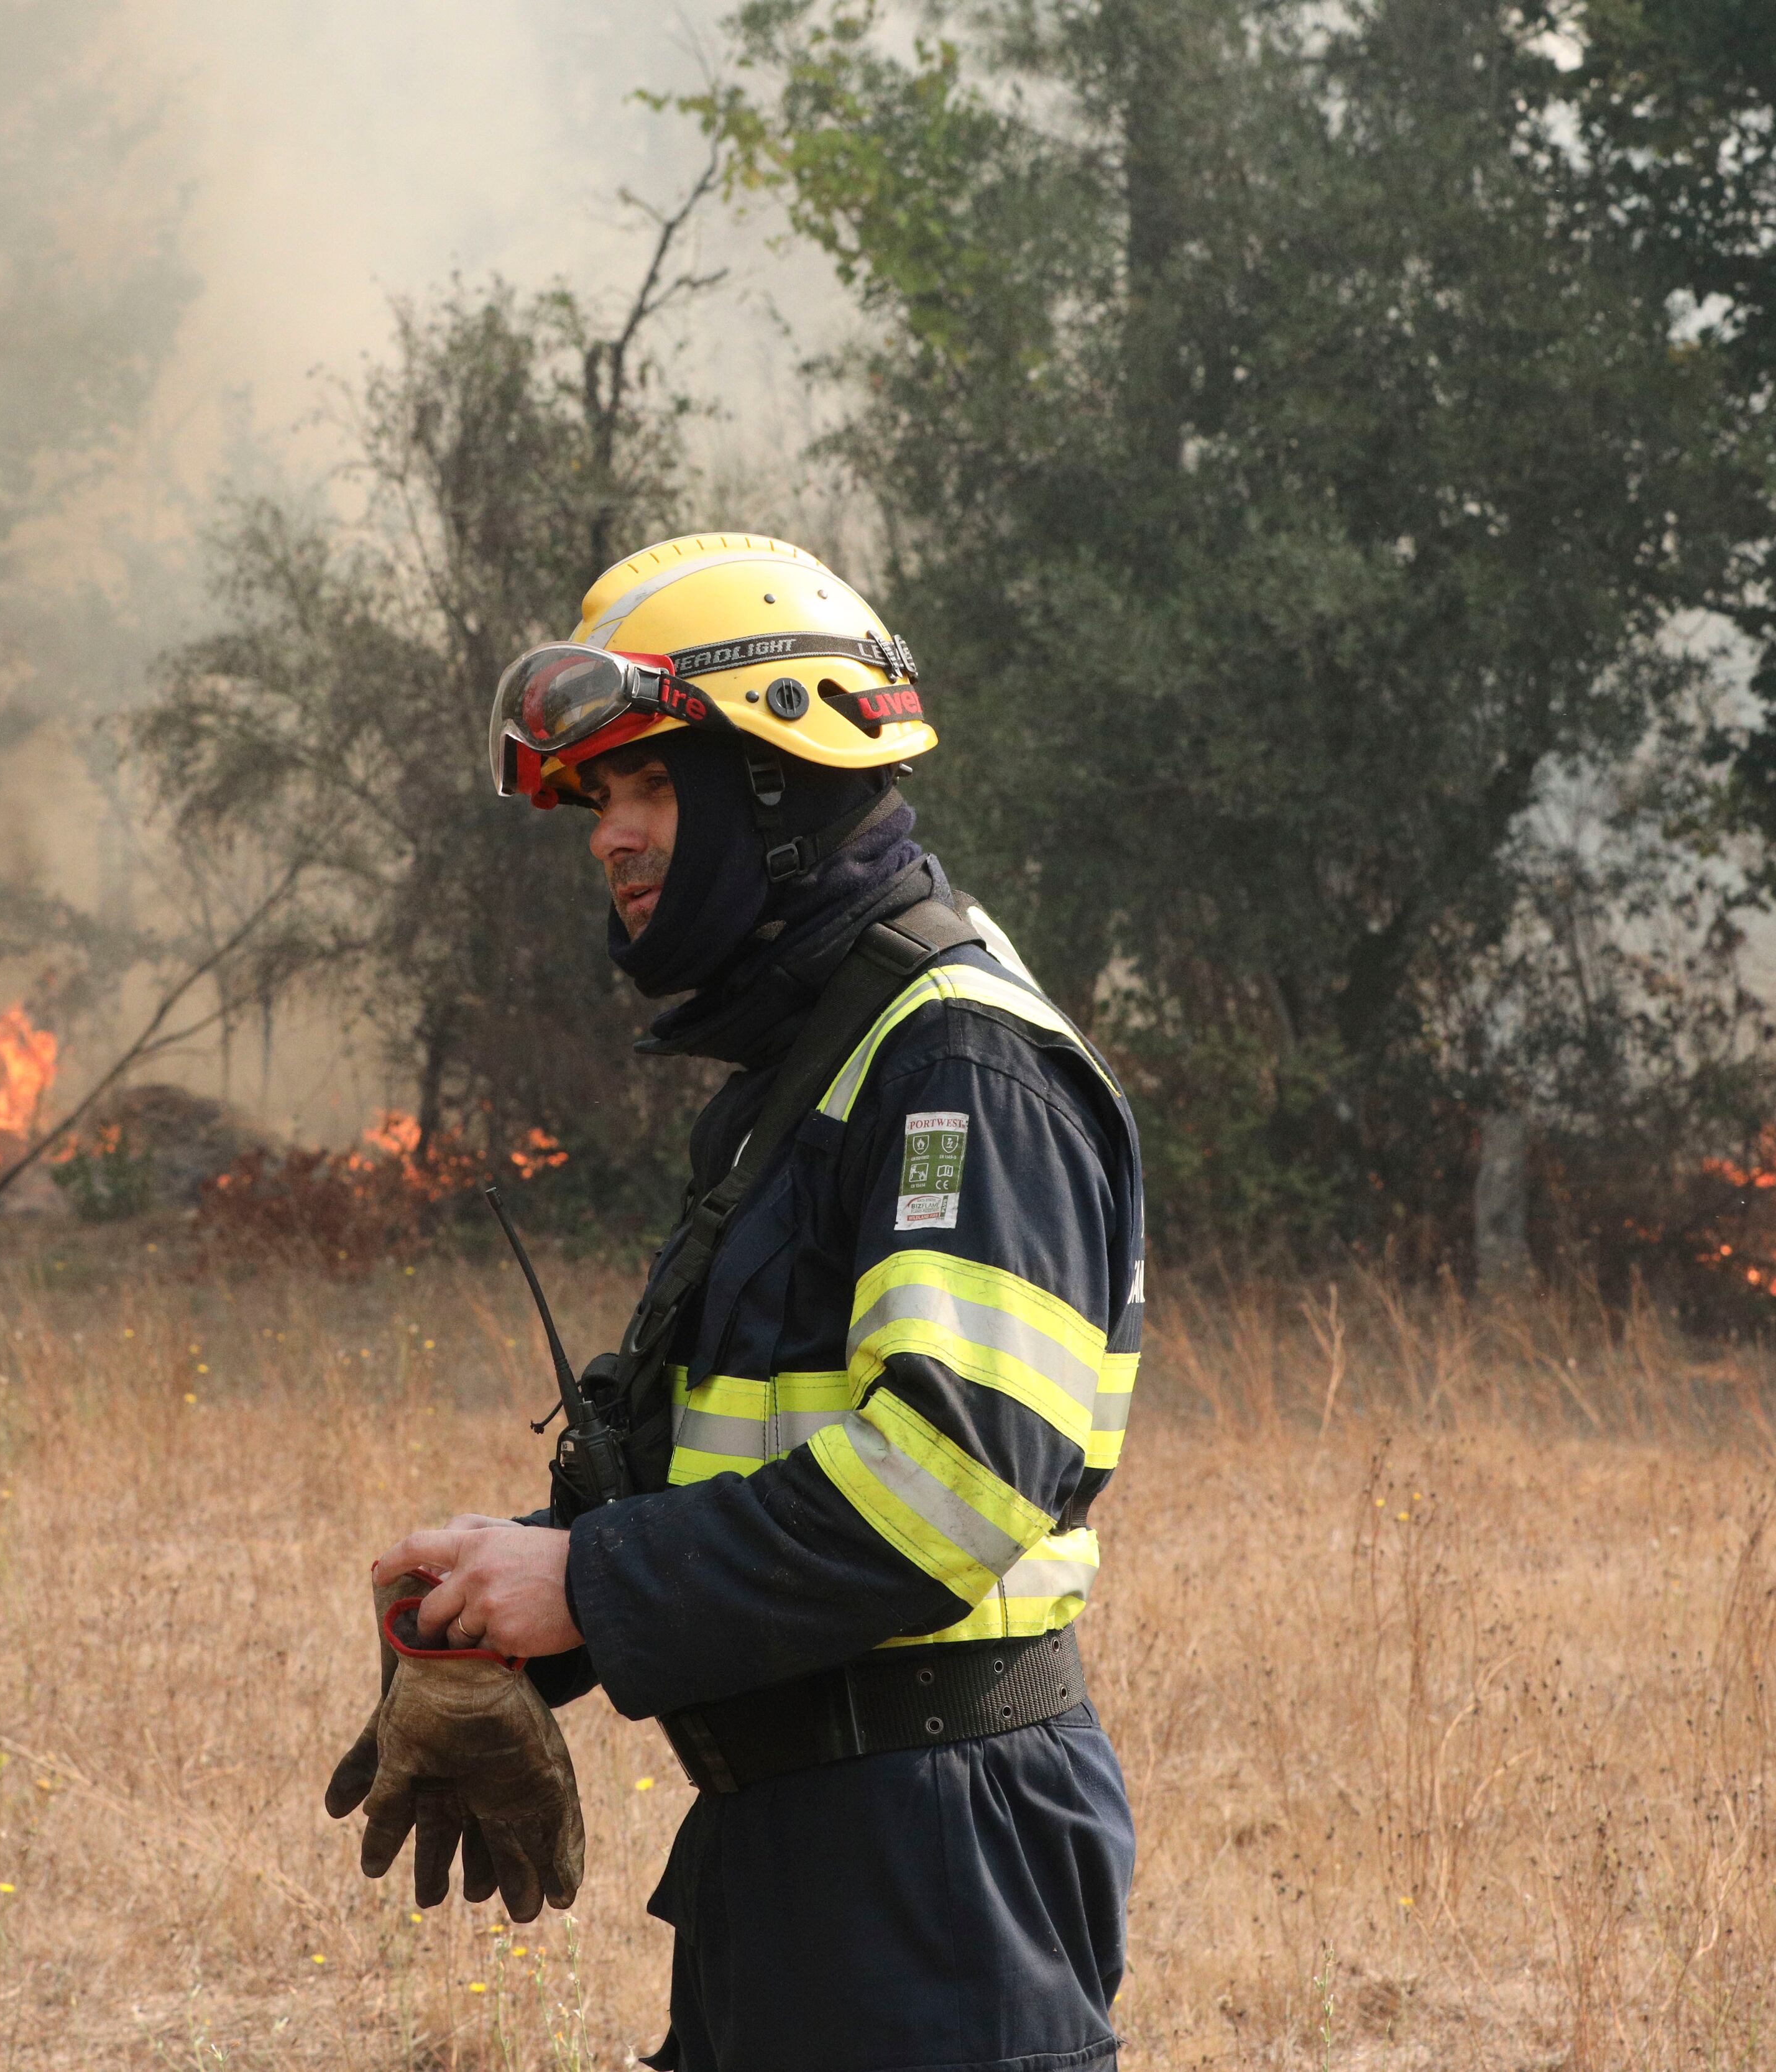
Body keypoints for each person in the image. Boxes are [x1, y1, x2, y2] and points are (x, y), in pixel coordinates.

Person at [338, 533, 1144, 2072]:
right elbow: (761, 1456)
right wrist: (518, 1603)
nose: (610, 837)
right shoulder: (820, 1063)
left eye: (647, 786)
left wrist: (596, 1586)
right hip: (808, 1829)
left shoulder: (952, 1065)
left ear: (774, 785)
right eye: (594, 804)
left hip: (933, 1854)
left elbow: (953, 1480)